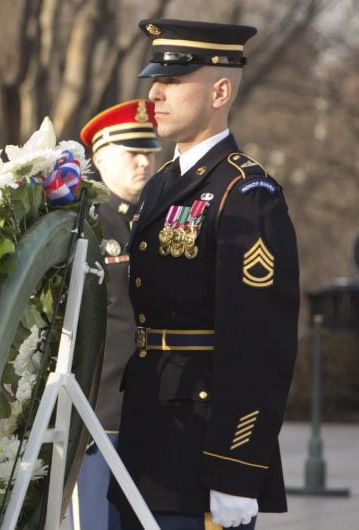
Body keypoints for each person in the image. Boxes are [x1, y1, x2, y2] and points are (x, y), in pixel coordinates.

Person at [109, 19, 299, 530]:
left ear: (219, 91)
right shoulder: (160, 186)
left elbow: (260, 344)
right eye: (155, 80)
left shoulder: (246, 194)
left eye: (172, 82)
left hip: (201, 456)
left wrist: (236, 470)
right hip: (148, 442)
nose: (155, 93)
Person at [64, 99, 161, 530]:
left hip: (153, 411)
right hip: (99, 414)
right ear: (99, 158)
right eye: (131, 153)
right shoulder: (82, 226)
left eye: (149, 152)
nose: (144, 163)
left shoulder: (161, 221)